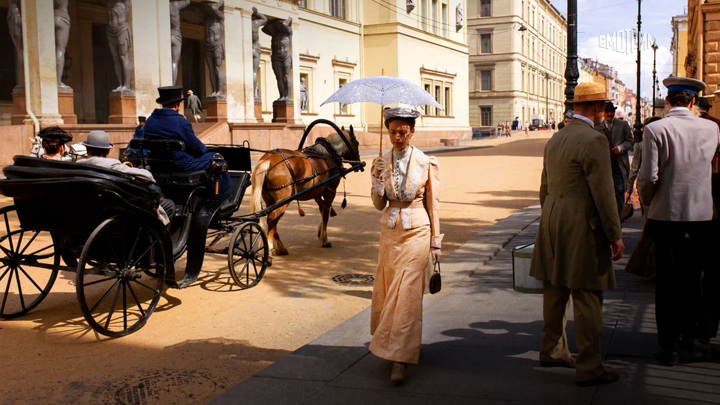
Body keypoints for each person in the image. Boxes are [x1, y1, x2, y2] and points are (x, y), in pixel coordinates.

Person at [530, 82, 625, 387]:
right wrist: (614, 233)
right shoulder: (593, 140)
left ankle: (552, 350)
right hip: (582, 225)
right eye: (603, 107)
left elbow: (544, 188)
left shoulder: (556, 138)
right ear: (597, 107)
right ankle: (590, 367)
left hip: (553, 221)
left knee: (555, 290)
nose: (604, 113)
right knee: (587, 295)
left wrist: (551, 218)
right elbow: (603, 192)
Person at [638, 77, 720, 365]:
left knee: (667, 285)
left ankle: (669, 347)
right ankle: (691, 338)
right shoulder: (711, 129)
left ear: (668, 100)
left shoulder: (656, 129)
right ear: (694, 101)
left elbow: (648, 176)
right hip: (701, 217)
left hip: (667, 217)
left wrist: (647, 200)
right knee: (693, 280)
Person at [369, 107, 442, 383]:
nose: (397, 137)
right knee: (390, 292)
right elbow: (379, 205)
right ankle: (393, 343)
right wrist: (376, 182)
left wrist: (436, 242)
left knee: (408, 292)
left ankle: (400, 358)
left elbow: (433, 205)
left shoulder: (426, 162)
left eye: (402, 132)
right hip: (390, 234)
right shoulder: (381, 162)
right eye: (392, 132)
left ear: (412, 131)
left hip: (418, 231)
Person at [143, 86, 232, 193]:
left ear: (162, 103)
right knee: (216, 158)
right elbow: (199, 148)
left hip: (156, 164)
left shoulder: (150, 121)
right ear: (176, 105)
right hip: (179, 164)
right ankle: (224, 195)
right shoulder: (180, 121)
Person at [79, 130, 171, 225]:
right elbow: (147, 176)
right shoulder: (111, 165)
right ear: (108, 151)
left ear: (88, 149)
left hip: (90, 208)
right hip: (113, 207)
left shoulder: (78, 166)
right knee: (169, 205)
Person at [596, 102, 634, 219]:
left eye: (611, 111)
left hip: (619, 166)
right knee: (606, 194)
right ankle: (609, 218)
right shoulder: (597, 128)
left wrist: (620, 148)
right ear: (603, 113)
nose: (609, 114)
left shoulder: (623, 125)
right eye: (607, 111)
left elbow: (630, 142)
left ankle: (618, 218)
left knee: (619, 192)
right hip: (604, 168)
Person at [626, 116, 662, 221]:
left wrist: (629, 188)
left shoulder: (640, 146)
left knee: (648, 218)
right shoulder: (666, 143)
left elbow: (634, 169)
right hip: (662, 187)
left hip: (646, 189)